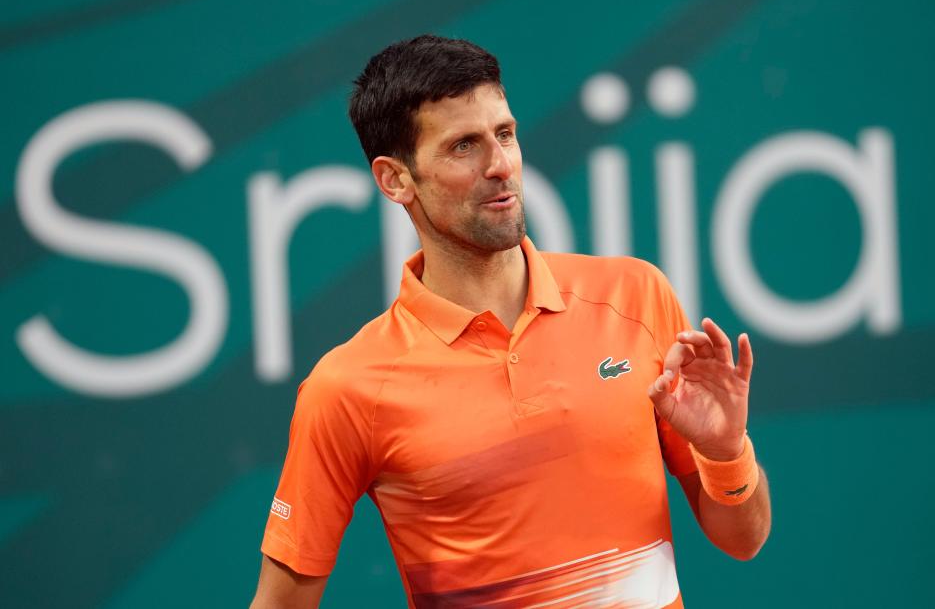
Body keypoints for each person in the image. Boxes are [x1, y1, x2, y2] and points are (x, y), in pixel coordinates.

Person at [250, 35, 771, 608]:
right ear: (395, 180)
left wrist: (726, 451)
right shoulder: (348, 388)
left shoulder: (636, 294)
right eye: (462, 147)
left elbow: (743, 539)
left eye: (504, 134)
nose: (500, 166)